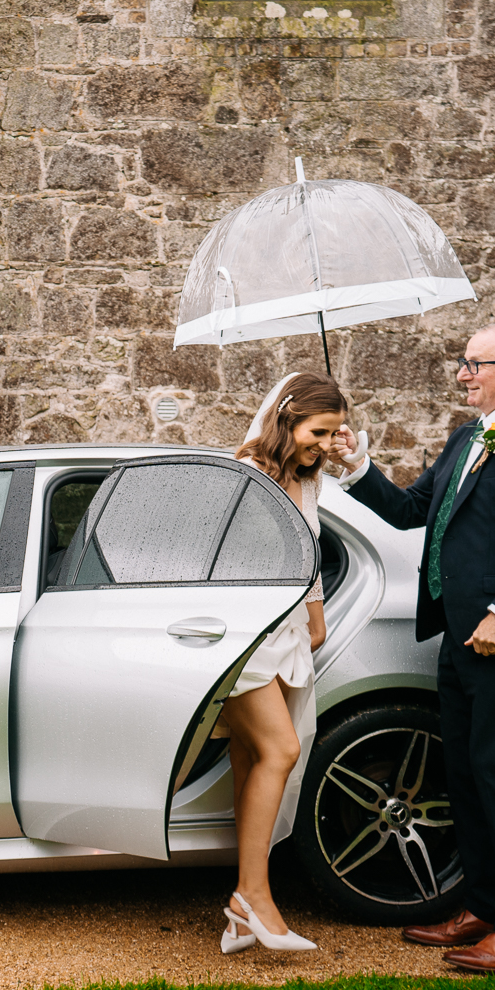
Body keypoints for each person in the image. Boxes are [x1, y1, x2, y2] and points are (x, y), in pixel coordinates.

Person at [327, 321, 495, 975]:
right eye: (463, 364)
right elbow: (413, 510)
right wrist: (356, 465)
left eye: (476, 363)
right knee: (465, 776)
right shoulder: (468, 438)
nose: (463, 374)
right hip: (459, 637)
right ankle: (485, 907)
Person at [217, 371, 347, 955]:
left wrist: (315, 612)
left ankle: (242, 914)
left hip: (289, 634)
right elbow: (222, 560)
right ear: (286, 419)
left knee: (250, 757)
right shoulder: (247, 477)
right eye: (318, 431)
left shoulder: (306, 478)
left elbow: (306, 553)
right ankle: (254, 900)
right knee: (282, 749)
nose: (325, 444)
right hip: (244, 636)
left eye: (335, 433)